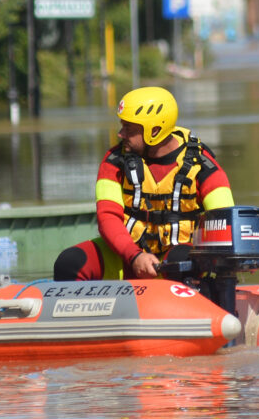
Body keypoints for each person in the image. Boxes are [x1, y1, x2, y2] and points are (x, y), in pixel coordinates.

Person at [52, 86, 234, 281]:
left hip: (177, 260)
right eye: (122, 125)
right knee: (68, 262)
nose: (121, 134)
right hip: (127, 257)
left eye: (129, 128)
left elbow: (225, 218)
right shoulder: (113, 161)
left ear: (154, 131)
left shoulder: (204, 165)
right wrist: (134, 256)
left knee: (183, 263)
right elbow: (108, 218)